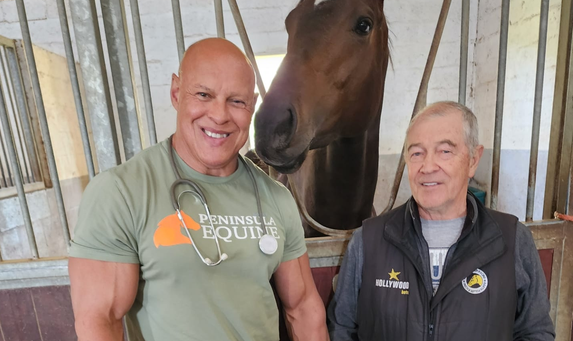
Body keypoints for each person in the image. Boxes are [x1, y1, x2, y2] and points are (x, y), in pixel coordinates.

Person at [68, 38, 329, 341]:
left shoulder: (275, 197)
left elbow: (303, 307)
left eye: (237, 101)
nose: (219, 115)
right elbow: (99, 321)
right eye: (204, 94)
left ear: (252, 105)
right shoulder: (120, 192)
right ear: (177, 93)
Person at [328, 101, 555, 341]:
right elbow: (341, 327)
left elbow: (536, 332)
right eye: (417, 153)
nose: (427, 166)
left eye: (445, 151)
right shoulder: (368, 241)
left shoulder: (512, 239)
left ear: (473, 160)